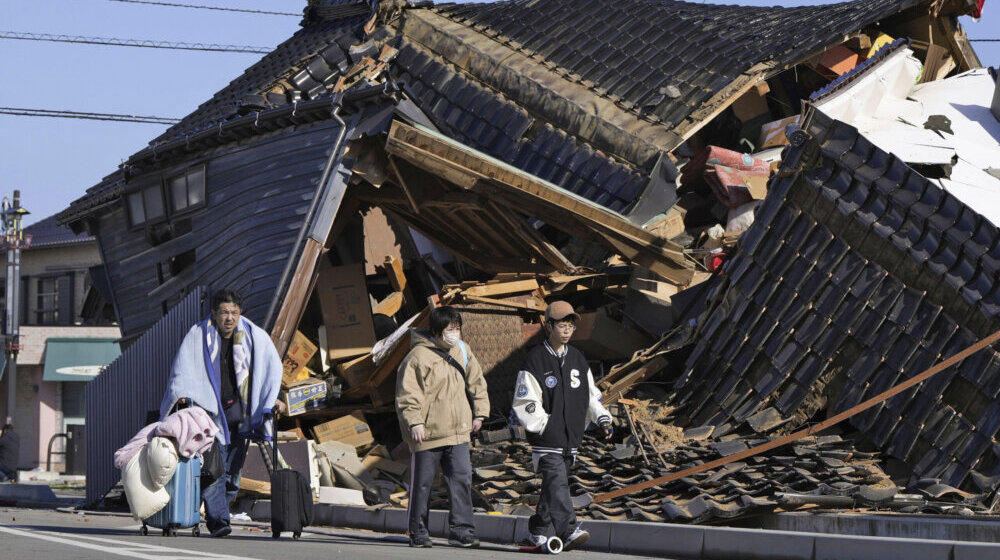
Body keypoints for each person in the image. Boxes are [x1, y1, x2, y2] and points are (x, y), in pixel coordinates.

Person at [160, 289, 282, 537]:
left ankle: (221, 513)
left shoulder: (254, 336)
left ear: (240, 313)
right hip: (209, 414)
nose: (229, 318)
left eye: (234, 312)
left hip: (240, 411)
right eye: (224, 312)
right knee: (215, 467)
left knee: (233, 474)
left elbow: (270, 368)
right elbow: (183, 369)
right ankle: (219, 521)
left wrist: (271, 398)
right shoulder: (198, 335)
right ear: (214, 313)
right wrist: (182, 394)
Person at [511, 301, 613, 552]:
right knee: (557, 482)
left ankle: (536, 530)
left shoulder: (578, 359)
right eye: (562, 325)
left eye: (570, 326)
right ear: (548, 326)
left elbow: (591, 395)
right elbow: (525, 400)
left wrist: (603, 417)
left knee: (552, 487)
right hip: (546, 438)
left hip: (571, 438)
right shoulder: (535, 359)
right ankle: (568, 530)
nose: (567, 331)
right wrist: (544, 425)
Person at [396, 305, 490, 548]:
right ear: (436, 332)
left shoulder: (463, 350)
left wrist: (480, 413)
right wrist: (415, 422)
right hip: (427, 433)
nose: (454, 334)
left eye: (457, 328)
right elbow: (408, 395)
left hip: (459, 431)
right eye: (449, 329)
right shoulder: (417, 358)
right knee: (423, 484)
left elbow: (477, 382)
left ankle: (462, 531)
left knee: (461, 480)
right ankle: (418, 531)